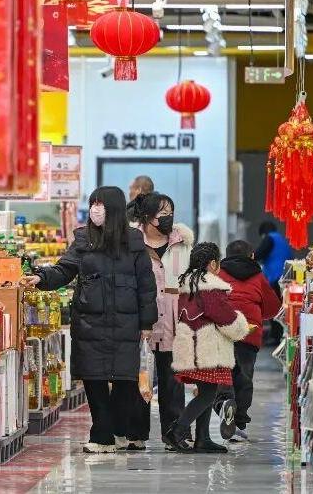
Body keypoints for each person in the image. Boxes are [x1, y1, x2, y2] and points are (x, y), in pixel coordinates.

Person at [25, 186, 158, 453]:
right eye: (93, 203)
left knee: (124, 381)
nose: (95, 209)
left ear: (114, 209)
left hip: (126, 324)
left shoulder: (134, 242)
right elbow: (65, 269)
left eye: (101, 204)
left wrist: (147, 323)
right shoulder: (83, 239)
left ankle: (117, 431)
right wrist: (41, 277)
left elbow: (146, 286)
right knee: (93, 380)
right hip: (89, 322)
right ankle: (101, 436)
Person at [166, 242, 253, 454]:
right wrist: (242, 326)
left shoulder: (188, 285)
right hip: (208, 348)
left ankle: (202, 438)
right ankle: (176, 431)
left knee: (206, 389)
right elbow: (224, 317)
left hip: (191, 346)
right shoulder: (210, 288)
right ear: (213, 264)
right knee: (208, 393)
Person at [129, 192, 194, 450]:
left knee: (173, 380)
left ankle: (174, 433)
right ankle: (135, 434)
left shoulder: (182, 243)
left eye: (170, 213)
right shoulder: (131, 242)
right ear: (147, 216)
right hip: (140, 319)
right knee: (139, 376)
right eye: (162, 213)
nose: (168, 218)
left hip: (174, 320)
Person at [212, 240, 281, 442]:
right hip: (248, 333)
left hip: (223, 331)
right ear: (251, 256)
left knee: (222, 373)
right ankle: (239, 422)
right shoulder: (259, 276)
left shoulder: (218, 273)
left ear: (225, 255)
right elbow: (272, 308)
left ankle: (224, 403)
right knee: (244, 376)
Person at [254, 220, 293, 343]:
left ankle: (276, 336)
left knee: (274, 307)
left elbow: (259, 254)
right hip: (286, 277)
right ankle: (281, 335)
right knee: (283, 307)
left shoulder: (269, 238)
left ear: (263, 233)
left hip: (276, 277)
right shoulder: (281, 239)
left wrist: (248, 258)